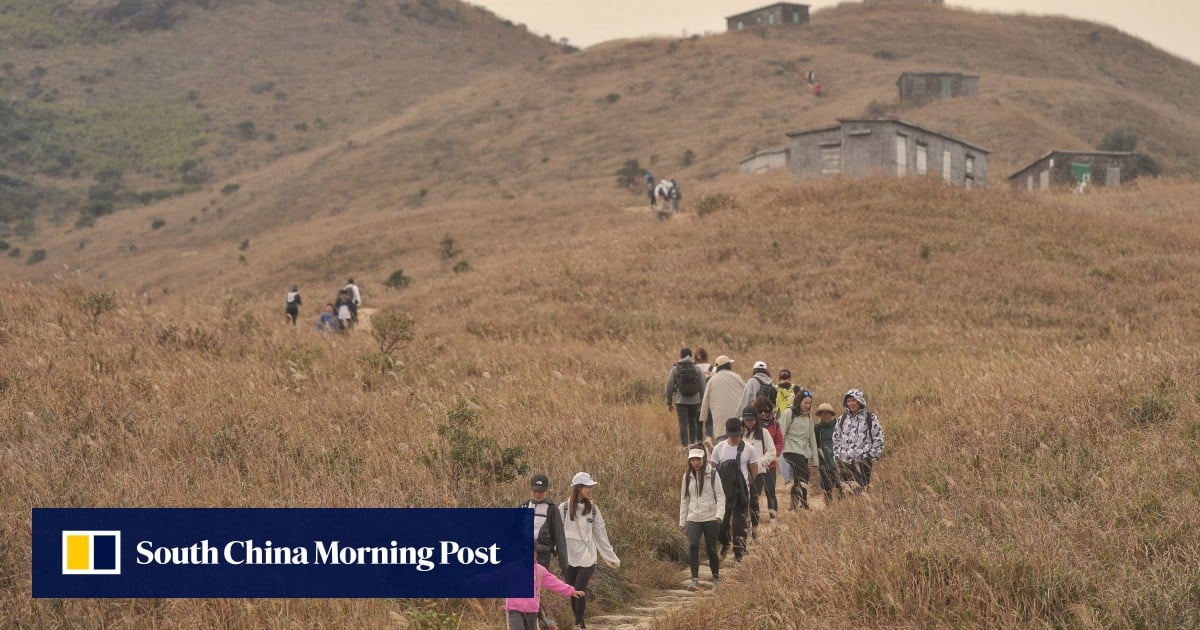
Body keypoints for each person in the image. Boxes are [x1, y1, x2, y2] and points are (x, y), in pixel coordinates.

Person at [559, 472, 619, 629]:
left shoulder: (593, 509)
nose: (590, 490)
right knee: (572, 591)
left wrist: (610, 557)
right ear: (578, 488)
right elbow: (556, 532)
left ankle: (578, 624)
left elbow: (600, 534)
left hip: (587, 555)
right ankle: (581, 624)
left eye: (591, 487)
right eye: (588, 487)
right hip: (569, 556)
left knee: (579, 588)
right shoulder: (563, 508)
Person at [521, 474, 569, 628]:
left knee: (533, 587)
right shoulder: (523, 506)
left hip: (542, 553)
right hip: (524, 552)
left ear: (546, 490)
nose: (537, 494)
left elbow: (559, 536)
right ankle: (543, 619)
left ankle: (543, 619)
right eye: (534, 490)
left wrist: (564, 564)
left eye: (540, 491)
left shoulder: (552, 509)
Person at [710, 417, 758, 562]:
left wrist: (745, 484)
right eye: (731, 434)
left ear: (741, 430)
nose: (733, 437)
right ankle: (725, 543)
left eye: (736, 433)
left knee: (740, 528)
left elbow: (754, 470)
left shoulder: (749, 449)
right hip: (723, 493)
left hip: (741, 494)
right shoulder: (719, 448)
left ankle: (739, 558)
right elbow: (712, 469)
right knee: (720, 525)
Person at [678, 445, 723, 592]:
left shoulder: (713, 474)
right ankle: (694, 580)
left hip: (711, 517)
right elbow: (684, 500)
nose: (695, 462)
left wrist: (719, 515)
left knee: (711, 549)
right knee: (692, 546)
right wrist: (682, 521)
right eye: (692, 460)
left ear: (703, 459)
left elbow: (721, 496)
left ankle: (716, 577)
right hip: (693, 517)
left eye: (698, 459)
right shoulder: (687, 476)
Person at [505, 551, 585, 630]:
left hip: (532, 609)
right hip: (514, 608)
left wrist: (571, 591)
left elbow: (554, 582)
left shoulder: (539, 570)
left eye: (533, 552)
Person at [833, 389, 884, 492]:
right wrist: (837, 456)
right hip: (844, 462)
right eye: (849, 401)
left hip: (863, 462)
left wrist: (869, 457)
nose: (851, 403)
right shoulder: (842, 419)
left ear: (860, 401)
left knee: (860, 492)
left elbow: (879, 439)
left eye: (853, 400)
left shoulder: (871, 418)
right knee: (845, 493)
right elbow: (836, 438)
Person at [740, 405, 776, 538]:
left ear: (756, 419)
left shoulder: (763, 433)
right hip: (742, 472)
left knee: (754, 499)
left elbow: (772, 451)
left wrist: (760, 463)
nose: (749, 422)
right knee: (744, 500)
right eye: (747, 420)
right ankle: (745, 527)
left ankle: (755, 529)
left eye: (751, 420)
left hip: (759, 473)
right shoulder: (741, 433)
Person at [779, 390, 818, 510]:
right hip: (790, 450)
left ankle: (794, 506)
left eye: (809, 403)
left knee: (799, 478)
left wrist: (815, 458)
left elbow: (811, 436)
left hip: (803, 451)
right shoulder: (788, 413)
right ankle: (805, 504)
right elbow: (781, 433)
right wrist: (776, 453)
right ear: (799, 401)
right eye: (805, 403)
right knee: (804, 474)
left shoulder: (808, 415)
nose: (807, 406)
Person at [664, 347, 705, 446]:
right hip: (694, 400)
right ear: (691, 356)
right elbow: (702, 385)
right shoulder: (697, 369)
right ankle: (693, 443)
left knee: (683, 423)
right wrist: (702, 400)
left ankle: (685, 446)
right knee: (693, 421)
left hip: (680, 401)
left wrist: (668, 402)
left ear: (680, 356)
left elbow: (669, 386)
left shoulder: (675, 368)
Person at [699, 356, 745, 441]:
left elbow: (705, 400)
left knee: (722, 446)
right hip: (737, 418)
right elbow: (745, 395)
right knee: (739, 445)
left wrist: (703, 418)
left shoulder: (712, 380)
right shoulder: (737, 377)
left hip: (720, 420)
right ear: (729, 365)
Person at [756, 397, 784, 519]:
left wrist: (774, 454)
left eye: (766, 411)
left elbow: (779, 441)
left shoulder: (774, 424)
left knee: (770, 491)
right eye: (760, 410)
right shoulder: (751, 425)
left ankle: (773, 519)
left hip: (770, 464)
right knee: (754, 492)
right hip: (755, 465)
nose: (763, 413)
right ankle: (753, 518)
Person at [813, 402, 842, 504]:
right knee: (826, 486)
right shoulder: (817, 428)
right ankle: (829, 507)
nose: (825, 416)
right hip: (823, 461)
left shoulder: (838, 426)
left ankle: (841, 506)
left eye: (827, 413)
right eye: (822, 413)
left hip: (837, 460)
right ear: (820, 415)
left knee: (840, 485)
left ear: (831, 414)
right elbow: (814, 445)